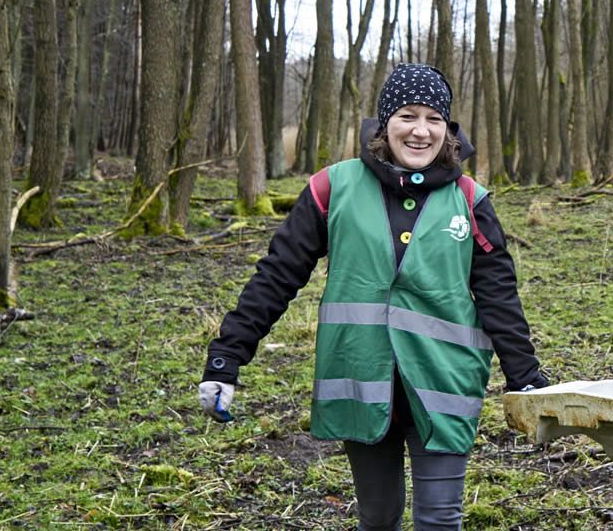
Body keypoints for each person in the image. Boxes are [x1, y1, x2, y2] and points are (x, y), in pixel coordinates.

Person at [195, 63, 547, 531]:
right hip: (360, 380)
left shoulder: (470, 200)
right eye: (407, 116)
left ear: (448, 129)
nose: (421, 131)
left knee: (441, 521)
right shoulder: (332, 187)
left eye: (434, 119)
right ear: (385, 124)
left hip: (443, 384)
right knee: (378, 518)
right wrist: (226, 356)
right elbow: (277, 275)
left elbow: (499, 295)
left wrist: (527, 379)